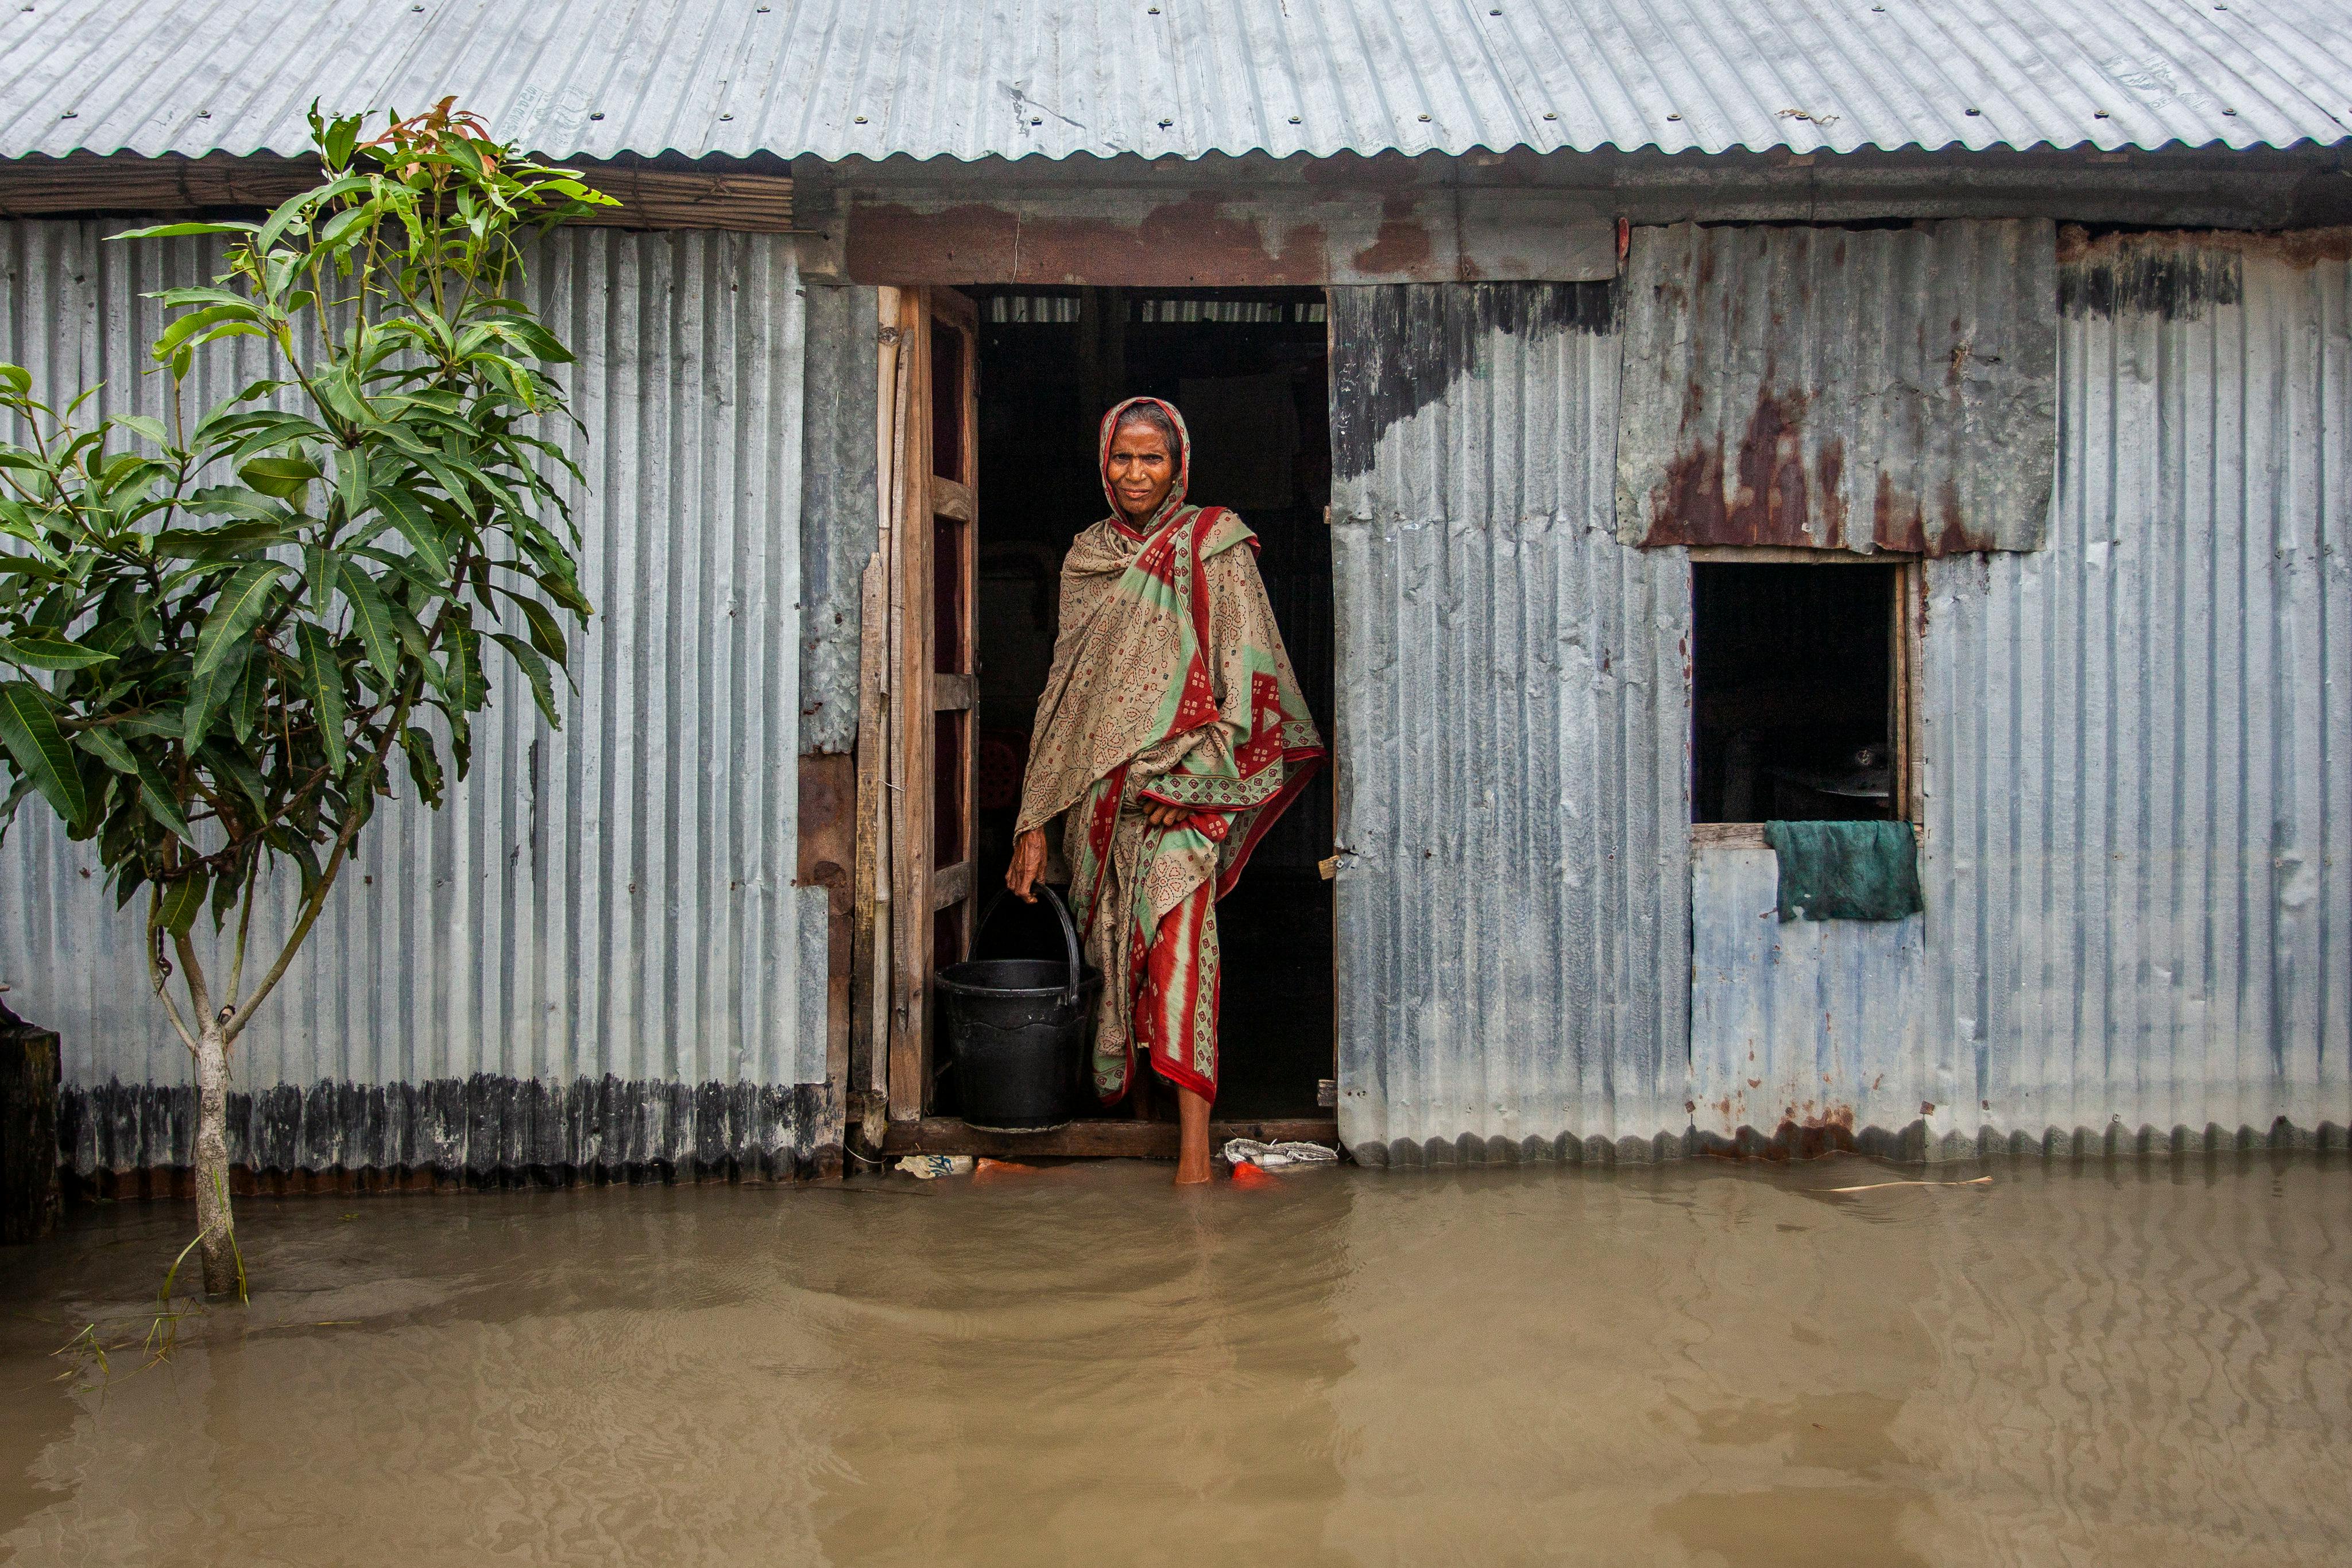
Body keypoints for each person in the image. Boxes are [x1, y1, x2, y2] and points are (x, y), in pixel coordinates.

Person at [1005, 397, 1324, 1184]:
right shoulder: (1088, 555)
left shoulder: (1216, 546)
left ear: (1179, 466)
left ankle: (1190, 1157)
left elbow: (1251, 681)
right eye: (1123, 458)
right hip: (1100, 803)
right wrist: (1034, 818)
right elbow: (1064, 695)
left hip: (1183, 795)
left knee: (1182, 959)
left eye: (1153, 459)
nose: (1137, 474)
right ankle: (1139, 1126)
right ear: (1103, 465)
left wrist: (1201, 782)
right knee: (1114, 962)